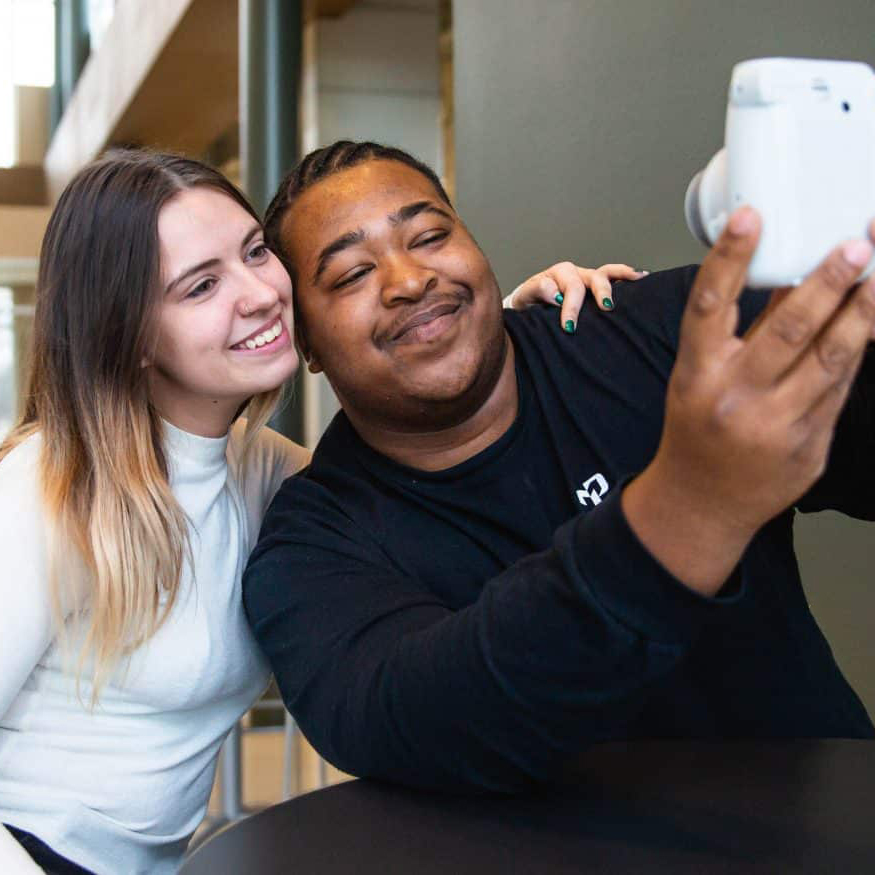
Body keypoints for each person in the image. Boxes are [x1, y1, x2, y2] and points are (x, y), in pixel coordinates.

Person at [0, 147, 621, 874]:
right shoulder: (49, 483)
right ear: (129, 335)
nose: (260, 293)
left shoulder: (268, 474)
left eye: (254, 253)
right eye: (201, 286)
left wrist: (492, 322)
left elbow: (410, 465)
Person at [243, 140, 875, 794]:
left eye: (430, 235)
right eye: (349, 275)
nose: (407, 281)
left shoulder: (664, 335)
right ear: (306, 342)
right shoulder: (313, 541)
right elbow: (425, 720)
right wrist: (688, 508)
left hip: (820, 825)